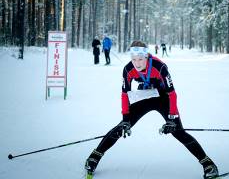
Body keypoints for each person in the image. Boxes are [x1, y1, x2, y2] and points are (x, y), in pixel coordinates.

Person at [85, 40, 219, 179]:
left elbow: (172, 94)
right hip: (145, 96)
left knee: (178, 132)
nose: (137, 63)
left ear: (146, 57)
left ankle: (208, 164)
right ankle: (94, 157)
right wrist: (126, 118)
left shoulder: (159, 67)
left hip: (163, 97)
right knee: (122, 127)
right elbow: (125, 94)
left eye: (140, 59)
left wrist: (172, 118)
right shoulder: (128, 69)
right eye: (134, 59)